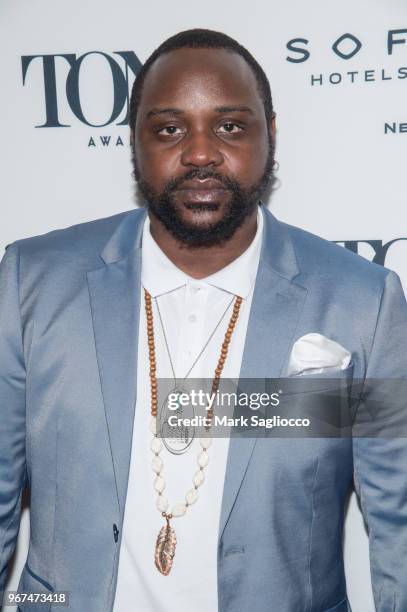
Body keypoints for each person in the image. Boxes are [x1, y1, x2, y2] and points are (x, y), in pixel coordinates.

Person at [1, 28, 406, 612]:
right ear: (134, 141)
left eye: (229, 127)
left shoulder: (361, 301)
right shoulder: (30, 282)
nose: (199, 153)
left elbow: (398, 516)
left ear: (271, 132)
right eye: (169, 128)